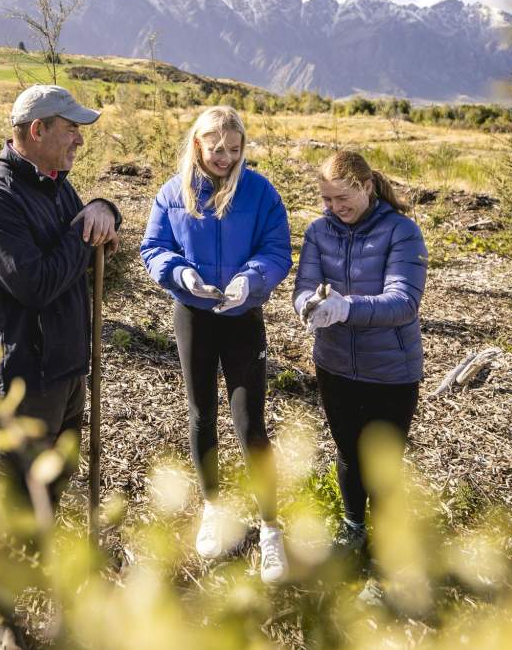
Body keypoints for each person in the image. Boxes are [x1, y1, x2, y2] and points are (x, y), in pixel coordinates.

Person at [140, 106, 292, 584]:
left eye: (233, 148)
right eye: (216, 148)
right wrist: (178, 272)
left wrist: (252, 280)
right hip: (194, 316)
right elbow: (153, 248)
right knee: (201, 414)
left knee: (251, 424)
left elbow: (277, 249)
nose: (225, 157)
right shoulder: (173, 192)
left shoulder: (260, 192)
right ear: (198, 145)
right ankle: (213, 507)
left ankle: (270, 528)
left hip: (242, 317)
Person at [0, 84, 121, 506]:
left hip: (68, 369)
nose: (80, 139)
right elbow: (38, 285)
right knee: (19, 496)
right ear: (37, 130)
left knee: (55, 481)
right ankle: (12, 569)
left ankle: (46, 566)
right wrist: (85, 230)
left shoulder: (55, 186)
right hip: (26, 380)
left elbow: (91, 227)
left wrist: (104, 208)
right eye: (71, 129)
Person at [293, 150, 427, 565]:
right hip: (334, 365)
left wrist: (347, 307)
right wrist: (309, 306)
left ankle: (386, 557)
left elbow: (403, 301)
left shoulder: (401, 232)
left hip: (390, 371)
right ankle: (353, 529)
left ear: (367, 187)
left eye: (342, 198)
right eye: (328, 200)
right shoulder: (319, 231)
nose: (335, 208)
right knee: (349, 452)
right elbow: (304, 286)